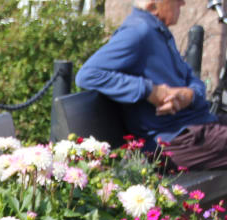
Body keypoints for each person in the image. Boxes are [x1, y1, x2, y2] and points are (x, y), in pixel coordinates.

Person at [75, 0, 226, 170]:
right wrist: (150, 91)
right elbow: (88, 74)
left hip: (197, 128)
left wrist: (188, 95)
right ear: (153, 6)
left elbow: (193, 79)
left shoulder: (159, 32)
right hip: (175, 140)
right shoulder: (138, 32)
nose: (182, 3)